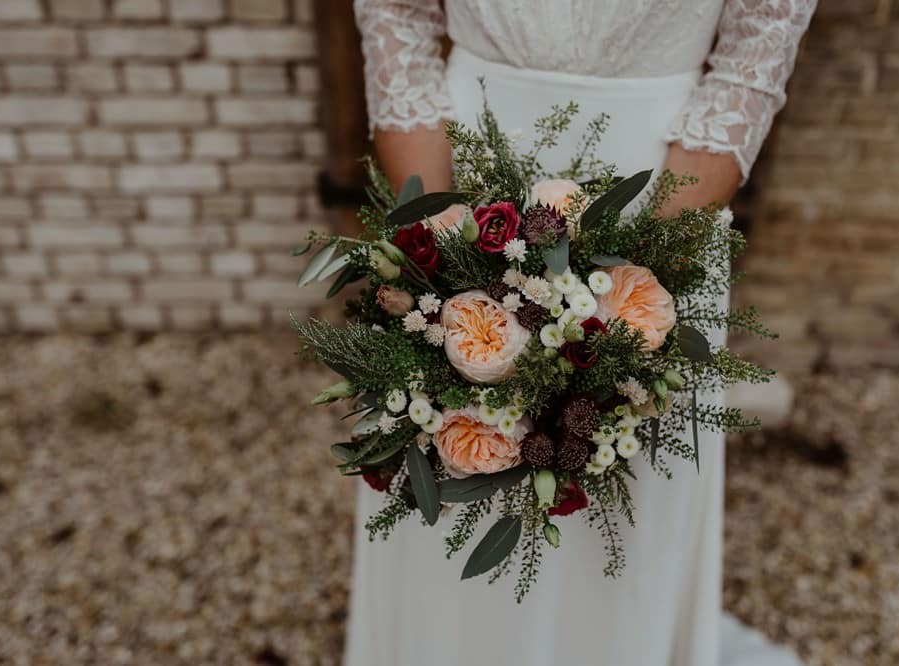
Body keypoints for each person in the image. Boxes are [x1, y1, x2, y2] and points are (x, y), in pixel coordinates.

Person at [346, 2, 817, 664]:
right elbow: (398, 15)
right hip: (463, 179)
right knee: (446, 463)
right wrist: (441, 256)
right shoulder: (446, 227)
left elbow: (755, 51)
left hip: (662, 195)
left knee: (613, 491)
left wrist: (630, 292)